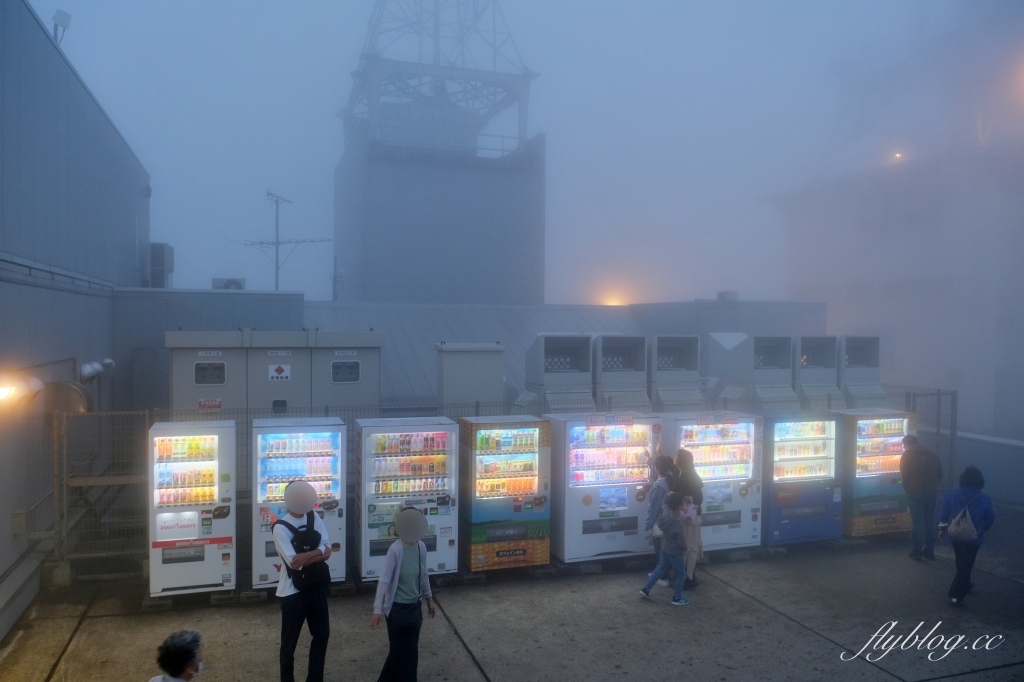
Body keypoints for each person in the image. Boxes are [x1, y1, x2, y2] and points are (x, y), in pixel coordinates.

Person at [274, 481, 332, 682]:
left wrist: (308, 555)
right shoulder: (280, 528)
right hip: (293, 594)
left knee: (322, 635)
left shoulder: (313, 516)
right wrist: (318, 553)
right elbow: (294, 564)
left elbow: (327, 550)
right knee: (289, 644)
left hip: (316, 588)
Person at [371, 508, 437, 682]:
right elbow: (384, 581)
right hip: (398, 612)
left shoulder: (421, 547)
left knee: (402, 654)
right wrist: (378, 610)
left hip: (415, 610)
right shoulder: (395, 550)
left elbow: (423, 575)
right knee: (406, 658)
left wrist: (429, 599)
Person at [938, 466, 995, 607]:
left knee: (961, 561)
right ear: (979, 481)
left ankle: (967, 584)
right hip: (974, 538)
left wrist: (942, 528)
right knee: (967, 564)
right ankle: (956, 596)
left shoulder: (951, 494)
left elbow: (944, 513)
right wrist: (984, 528)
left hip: (956, 535)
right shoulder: (984, 499)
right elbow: (990, 518)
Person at [640, 492, 690, 606]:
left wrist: (668, 497)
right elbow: (681, 539)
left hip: (665, 547)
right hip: (675, 552)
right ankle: (677, 598)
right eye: (682, 505)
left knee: (659, 569)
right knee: (681, 574)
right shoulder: (678, 522)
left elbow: (665, 505)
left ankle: (646, 589)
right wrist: (684, 548)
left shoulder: (664, 515)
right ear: (679, 507)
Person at [899, 434, 943, 561]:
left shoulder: (906, 455)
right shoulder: (931, 454)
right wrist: (932, 484)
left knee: (917, 523)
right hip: (932, 492)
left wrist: (907, 489)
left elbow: (904, 476)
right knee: (930, 522)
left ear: (906, 444)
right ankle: (930, 551)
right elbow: (940, 474)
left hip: (915, 493)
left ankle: (916, 551)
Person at [643, 455, 677, 587]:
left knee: (660, 551)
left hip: (661, 523)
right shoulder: (671, 480)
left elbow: (654, 508)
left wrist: (647, 524)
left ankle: (662, 577)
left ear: (657, 468)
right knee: (665, 550)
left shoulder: (658, 486)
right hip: (671, 521)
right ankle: (660, 572)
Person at [674, 449, 704, 589]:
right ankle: (688, 574)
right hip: (691, 516)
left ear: (681, 461)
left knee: (690, 547)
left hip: (690, 518)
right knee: (690, 546)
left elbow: (699, 498)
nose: (674, 458)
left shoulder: (686, 477)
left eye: (676, 456)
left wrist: (683, 497)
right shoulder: (688, 474)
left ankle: (689, 577)